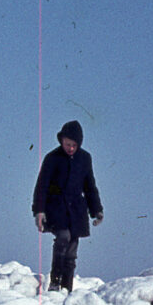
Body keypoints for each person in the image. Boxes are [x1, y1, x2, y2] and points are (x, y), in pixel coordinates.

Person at [32, 120, 104, 292]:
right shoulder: (52, 158)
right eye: (67, 144)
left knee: (72, 250)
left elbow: (90, 186)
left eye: (74, 145)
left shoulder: (85, 158)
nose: (70, 148)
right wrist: (39, 211)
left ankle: (67, 287)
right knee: (63, 237)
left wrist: (97, 210)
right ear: (61, 141)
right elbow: (41, 185)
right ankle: (55, 281)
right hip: (56, 208)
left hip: (77, 210)